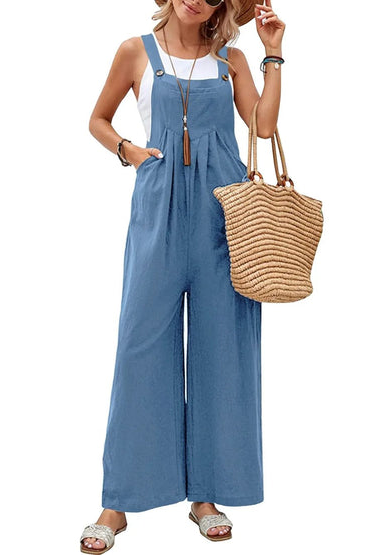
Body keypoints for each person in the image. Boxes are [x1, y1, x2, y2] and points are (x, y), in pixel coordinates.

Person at [80, 0, 285, 551]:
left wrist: (272, 54)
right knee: (140, 349)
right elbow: (97, 119)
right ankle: (118, 501)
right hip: (159, 207)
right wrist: (129, 151)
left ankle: (207, 495)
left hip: (225, 214)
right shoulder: (135, 51)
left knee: (224, 351)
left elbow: (263, 127)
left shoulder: (231, 59)